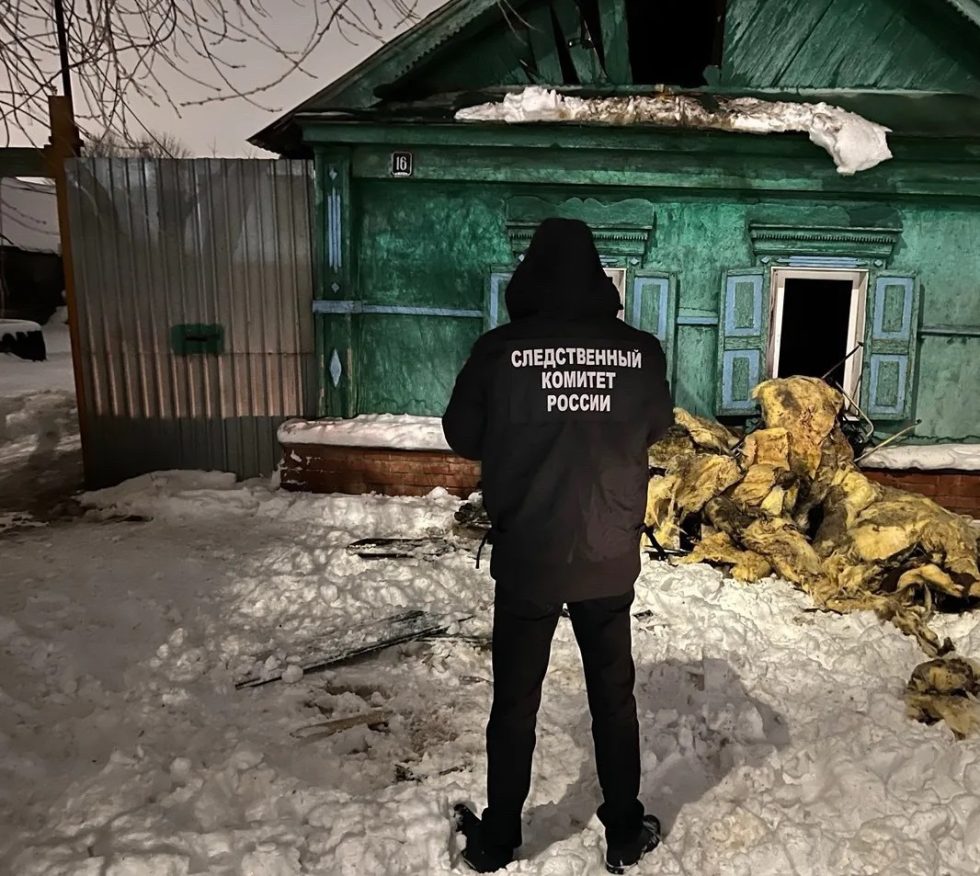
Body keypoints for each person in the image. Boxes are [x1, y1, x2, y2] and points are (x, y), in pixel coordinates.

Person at [442, 218, 675, 874]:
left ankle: (498, 839)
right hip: (606, 553)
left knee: (515, 703)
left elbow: (461, 434)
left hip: (530, 556)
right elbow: (657, 425)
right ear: (597, 276)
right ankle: (624, 831)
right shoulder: (640, 352)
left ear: (530, 276)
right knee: (614, 698)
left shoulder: (499, 351)